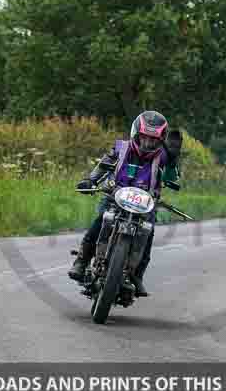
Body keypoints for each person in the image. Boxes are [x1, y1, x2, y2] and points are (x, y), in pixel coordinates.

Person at [68, 111, 182, 297]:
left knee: (148, 233)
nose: (148, 144)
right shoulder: (122, 148)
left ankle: (137, 275)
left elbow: (172, 177)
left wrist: (173, 158)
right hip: (115, 197)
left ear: (160, 140)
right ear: (136, 134)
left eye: (153, 140)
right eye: (144, 138)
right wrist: (91, 181)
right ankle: (82, 260)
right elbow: (104, 165)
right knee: (99, 222)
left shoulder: (163, 156)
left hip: (145, 204)